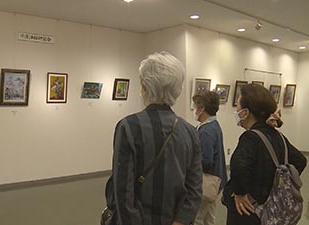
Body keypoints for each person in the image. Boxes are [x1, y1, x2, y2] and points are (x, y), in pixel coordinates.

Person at [106, 52, 202, 225]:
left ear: (144, 86)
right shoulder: (190, 131)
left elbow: (123, 190)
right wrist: (180, 221)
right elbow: (194, 189)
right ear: (177, 88)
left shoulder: (128, 126)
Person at [222, 84, 307, 225]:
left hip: (249, 211)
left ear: (245, 113)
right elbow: (300, 160)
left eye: (237, 106)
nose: (235, 110)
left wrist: (240, 193)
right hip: (272, 208)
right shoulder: (278, 136)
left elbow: (238, 166)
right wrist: (281, 180)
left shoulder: (250, 137)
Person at [192, 91, 227, 225]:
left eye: (195, 107)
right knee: (209, 218)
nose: (194, 110)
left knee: (198, 218)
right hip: (214, 181)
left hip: (206, 181)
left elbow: (205, 160)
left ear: (202, 109)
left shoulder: (206, 131)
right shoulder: (214, 126)